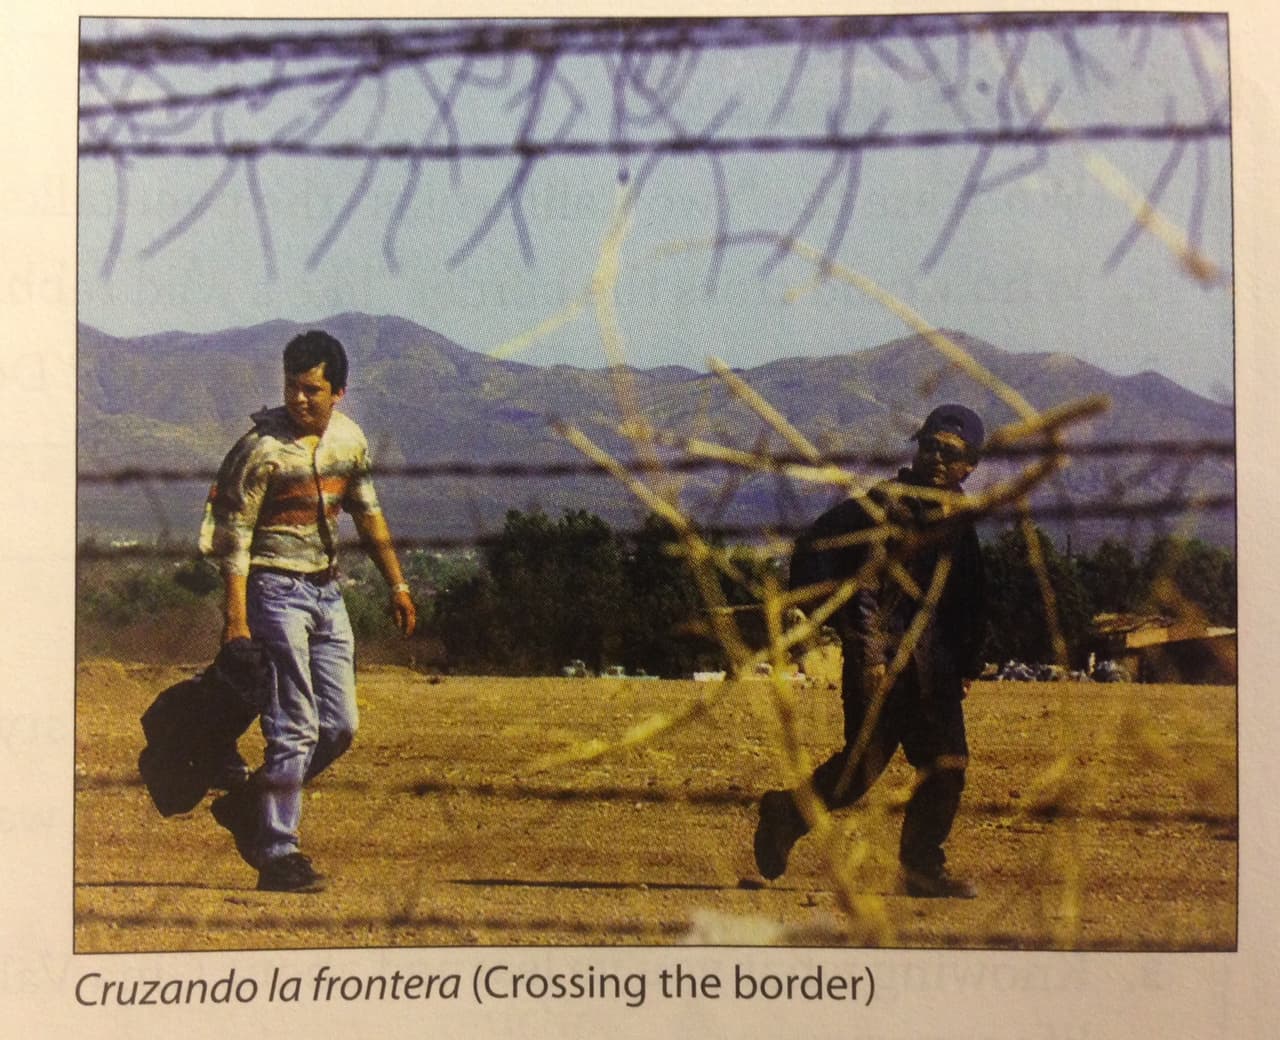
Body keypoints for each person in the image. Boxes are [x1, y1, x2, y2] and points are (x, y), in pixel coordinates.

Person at [200, 330, 416, 892]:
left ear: (337, 391)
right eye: (292, 387)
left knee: (340, 726)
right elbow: (234, 536)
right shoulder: (261, 448)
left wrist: (398, 584)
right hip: (274, 590)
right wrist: (235, 619)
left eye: (311, 389)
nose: (298, 399)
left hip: (327, 592)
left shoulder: (349, 442)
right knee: (293, 726)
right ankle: (277, 852)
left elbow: (367, 513)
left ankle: (251, 804)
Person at [753, 403, 988, 898]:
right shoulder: (883, 507)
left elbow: (971, 595)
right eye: (929, 446)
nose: (937, 458)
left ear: (971, 465)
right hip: (881, 664)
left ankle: (923, 869)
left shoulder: (959, 520)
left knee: (947, 767)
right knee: (859, 773)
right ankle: (785, 813)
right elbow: (855, 583)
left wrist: (968, 662)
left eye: (950, 452)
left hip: (935, 672)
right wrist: (864, 654)